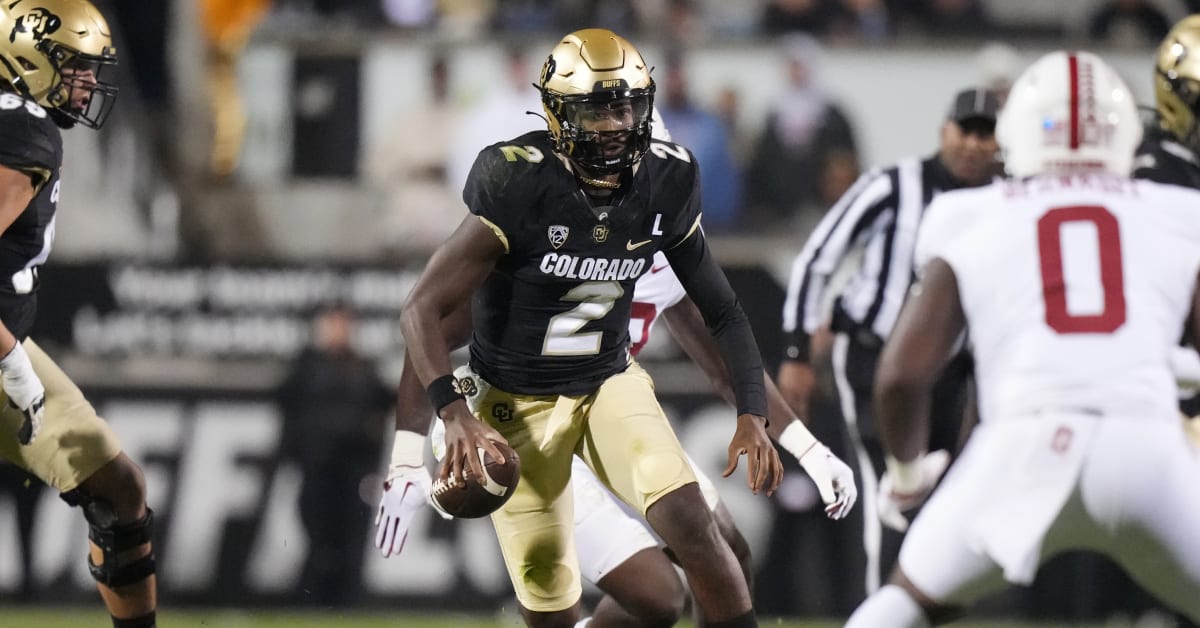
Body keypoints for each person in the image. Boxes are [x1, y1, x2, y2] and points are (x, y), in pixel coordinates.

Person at [395, 28, 781, 628]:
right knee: (551, 608)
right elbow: (420, 308)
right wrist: (453, 414)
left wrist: (752, 411)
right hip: (511, 404)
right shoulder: (517, 180)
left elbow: (723, 309)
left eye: (626, 105)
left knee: (689, 519)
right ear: (559, 114)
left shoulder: (666, 178)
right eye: (598, 109)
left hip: (606, 382)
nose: (616, 123)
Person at [846, 50, 1200, 627]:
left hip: (1022, 446)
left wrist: (908, 475)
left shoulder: (970, 213)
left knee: (907, 600)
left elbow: (901, 377)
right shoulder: (1180, 211)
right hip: (1146, 444)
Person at [376, 247, 858, 626]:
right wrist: (406, 456)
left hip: (606, 415)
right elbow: (430, 323)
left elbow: (728, 364)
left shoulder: (668, 239)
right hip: (517, 420)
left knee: (726, 552)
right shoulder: (543, 224)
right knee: (658, 597)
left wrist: (809, 450)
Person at [776, 85, 1000, 599]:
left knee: (945, 502)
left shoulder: (1005, 197)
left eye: (986, 135)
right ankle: (888, 607)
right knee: (892, 489)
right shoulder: (893, 186)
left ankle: (912, 608)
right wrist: (796, 351)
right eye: (965, 130)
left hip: (956, 368)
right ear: (944, 130)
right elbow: (817, 258)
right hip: (875, 359)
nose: (972, 144)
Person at [0, 1, 157, 627]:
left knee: (118, 486)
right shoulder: (22, 129)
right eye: (75, 66)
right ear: (27, 57)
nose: (88, 82)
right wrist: (11, 359)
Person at [277, 304, 393, 606]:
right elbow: (289, 414)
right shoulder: (306, 367)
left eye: (343, 324)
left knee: (352, 538)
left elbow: (386, 404)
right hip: (317, 467)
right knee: (318, 538)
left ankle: (348, 602)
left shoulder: (364, 367)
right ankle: (312, 601)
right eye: (332, 324)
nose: (338, 330)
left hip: (355, 468)